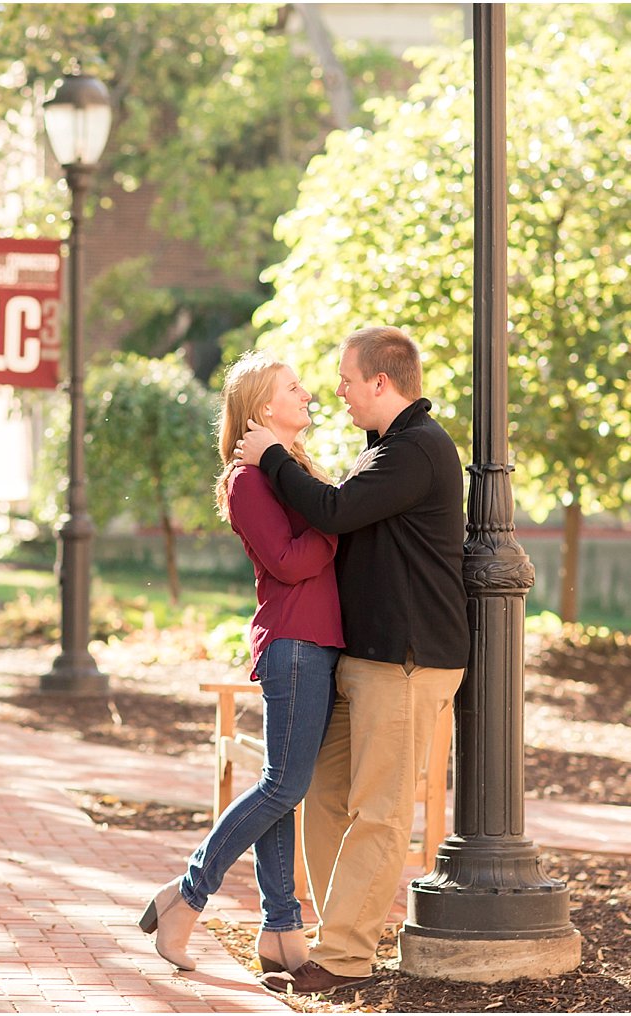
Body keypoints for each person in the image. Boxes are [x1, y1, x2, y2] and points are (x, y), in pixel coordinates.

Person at [235, 325, 469, 995]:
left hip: (406, 659)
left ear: (380, 382)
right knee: (324, 798)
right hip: (360, 660)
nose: (335, 389)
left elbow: (332, 512)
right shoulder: (384, 451)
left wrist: (274, 456)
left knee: (379, 811)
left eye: (344, 378)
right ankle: (327, 937)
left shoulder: (417, 451)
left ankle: (342, 958)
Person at [139, 351, 344, 975]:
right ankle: (187, 895)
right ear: (262, 407)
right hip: (295, 644)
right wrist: (340, 527)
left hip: (315, 643)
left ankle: (281, 931)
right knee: (284, 785)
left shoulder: (283, 472)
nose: (307, 392)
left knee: (283, 790)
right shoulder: (247, 480)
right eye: (292, 386)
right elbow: (287, 561)